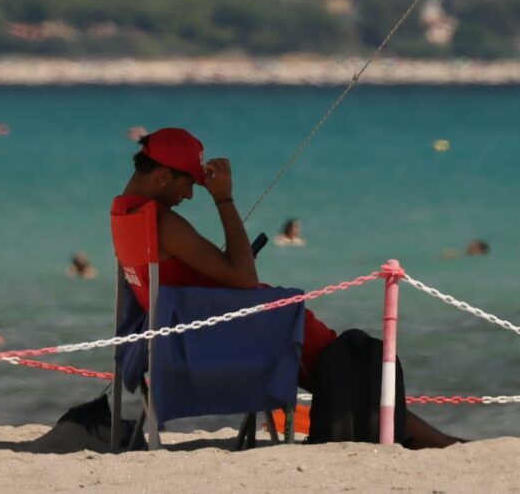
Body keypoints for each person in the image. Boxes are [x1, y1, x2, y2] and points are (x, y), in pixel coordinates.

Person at [114, 127, 459, 448]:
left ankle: (423, 437)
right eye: (187, 183)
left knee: (345, 364)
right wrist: (224, 200)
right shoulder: (163, 221)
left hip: (183, 336)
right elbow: (245, 279)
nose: (189, 194)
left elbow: (201, 275)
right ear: (162, 176)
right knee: (348, 364)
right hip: (224, 337)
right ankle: (435, 442)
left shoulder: (126, 215)